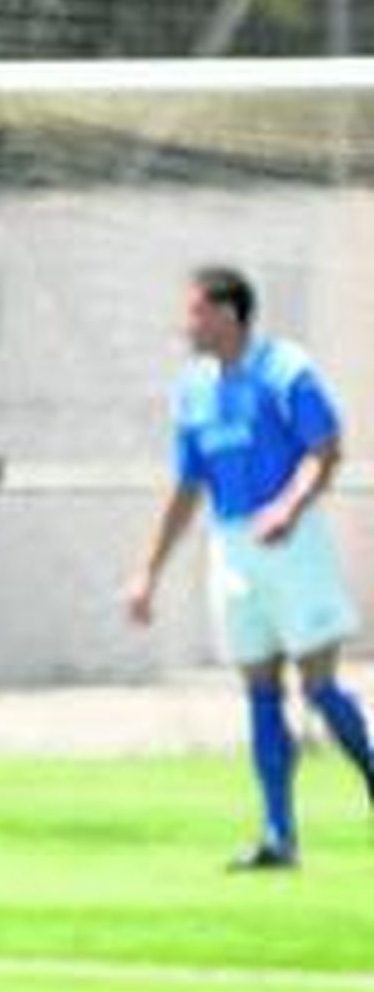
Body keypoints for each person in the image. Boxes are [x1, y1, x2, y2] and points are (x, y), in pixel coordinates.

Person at [127, 266, 372, 870]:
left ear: (228, 314)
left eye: (196, 312)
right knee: (259, 690)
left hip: (292, 541)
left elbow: (326, 447)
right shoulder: (193, 389)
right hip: (232, 547)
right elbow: (186, 488)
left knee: (318, 685)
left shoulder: (284, 369)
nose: (187, 324)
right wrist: (148, 573)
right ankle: (277, 834)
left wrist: (290, 506)